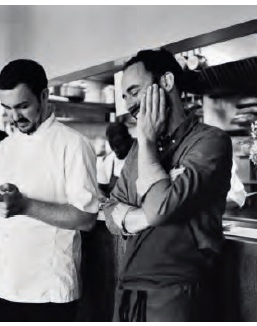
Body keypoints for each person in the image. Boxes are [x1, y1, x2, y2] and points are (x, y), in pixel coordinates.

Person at [103, 49, 233, 322]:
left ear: (167, 82)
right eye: (125, 95)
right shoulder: (138, 150)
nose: (129, 104)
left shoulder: (210, 142)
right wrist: (146, 214)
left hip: (177, 296)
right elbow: (110, 213)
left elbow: (161, 209)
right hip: (129, 293)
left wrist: (148, 142)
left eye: (135, 91)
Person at [0, 59, 99, 322]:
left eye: (23, 106)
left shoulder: (74, 145)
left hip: (49, 290)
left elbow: (87, 218)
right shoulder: (6, 148)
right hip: (4, 282)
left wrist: (25, 206)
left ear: (44, 96)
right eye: (8, 108)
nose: (15, 117)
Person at [97, 122, 134, 198]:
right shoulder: (107, 161)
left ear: (129, 139)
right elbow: (102, 189)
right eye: (113, 146)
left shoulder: (141, 158)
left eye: (119, 145)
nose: (116, 150)